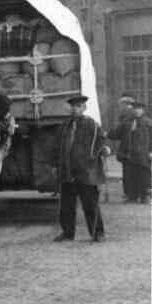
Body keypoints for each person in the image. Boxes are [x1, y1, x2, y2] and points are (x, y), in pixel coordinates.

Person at [53, 95, 111, 243]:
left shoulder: (92, 124)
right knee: (66, 205)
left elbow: (101, 139)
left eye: (78, 106)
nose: (75, 109)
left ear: (84, 108)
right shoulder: (64, 126)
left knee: (90, 204)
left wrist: (104, 148)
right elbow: (56, 147)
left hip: (86, 171)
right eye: (73, 106)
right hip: (68, 171)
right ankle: (67, 232)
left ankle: (97, 233)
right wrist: (54, 165)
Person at [108, 100, 152, 203]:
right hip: (129, 154)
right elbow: (116, 134)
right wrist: (106, 134)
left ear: (143, 110)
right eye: (134, 109)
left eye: (139, 109)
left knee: (144, 175)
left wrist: (151, 152)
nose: (136, 111)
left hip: (143, 154)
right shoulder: (126, 122)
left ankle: (144, 196)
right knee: (130, 175)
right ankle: (132, 196)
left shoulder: (148, 123)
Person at [110, 94, 138, 201]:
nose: (120, 108)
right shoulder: (133, 114)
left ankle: (130, 194)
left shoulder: (126, 115)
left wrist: (108, 134)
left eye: (120, 105)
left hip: (128, 147)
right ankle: (134, 193)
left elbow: (119, 132)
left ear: (125, 104)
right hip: (135, 146)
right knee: (134, 170)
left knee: (128, 171)